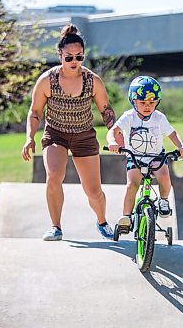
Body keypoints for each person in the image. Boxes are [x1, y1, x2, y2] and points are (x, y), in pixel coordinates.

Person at [21, 24, 116, 241]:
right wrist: (29, 138)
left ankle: (102, 221)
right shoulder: (47, 80)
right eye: (69, 57)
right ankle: (56, 227)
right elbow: (35, 112)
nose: (74, 62)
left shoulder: (92, 81)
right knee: (54, 176)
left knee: (93, 191)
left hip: (84, 135)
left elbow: (106, 110)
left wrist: (113, 132)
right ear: (60, 55)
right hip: (56, 134)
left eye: (79, 57)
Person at [106, 76, 183, 229]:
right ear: (133, 101)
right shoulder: (128, 117)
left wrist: (181, 146)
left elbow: (172, 134)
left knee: (164, 177)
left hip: (155, 156)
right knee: (132, 185)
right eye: (143, 103)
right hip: (135, 157)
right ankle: (126, 217)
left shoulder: (159, 118)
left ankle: (163, 200)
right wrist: (112, 142)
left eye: (152, 103)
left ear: (157, 102)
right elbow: (113, 131)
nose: (147, 106)